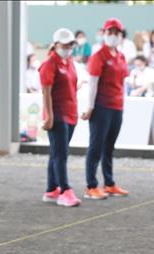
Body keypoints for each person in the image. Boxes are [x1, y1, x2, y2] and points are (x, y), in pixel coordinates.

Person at [81, 18, 130, 200]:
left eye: (117, 33)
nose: (113, 36)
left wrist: (121, 104)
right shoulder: (98, 56)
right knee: (96, 147)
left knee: (109, 147)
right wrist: (90, 107)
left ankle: (109, 183)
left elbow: (122, 82)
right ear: (104, 33)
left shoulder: (120, 56)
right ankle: (91, 186)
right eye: (110, 32)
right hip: (102, 107)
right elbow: (92, 83)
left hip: (117, 106)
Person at [40, 28, 81, 208]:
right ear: (55, 45)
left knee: (56, 152)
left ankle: (51, 189)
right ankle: (65, 190)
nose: (67, 47)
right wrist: (49, 116)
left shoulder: (69, 61)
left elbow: (71, 85)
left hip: (70, 113)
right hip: (57, 115)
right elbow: (46, 92)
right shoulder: (50, 64)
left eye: (70, 44)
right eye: (64, 45)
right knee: (61, 154)